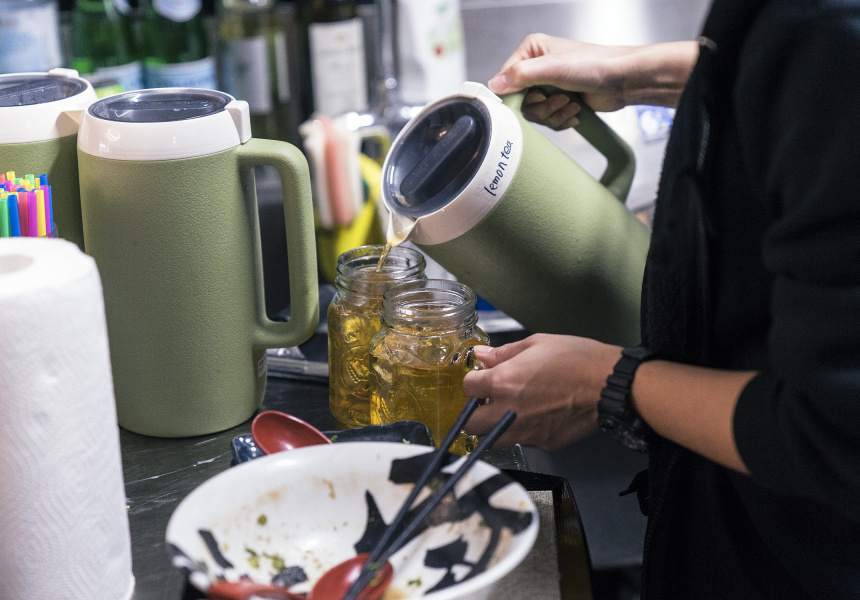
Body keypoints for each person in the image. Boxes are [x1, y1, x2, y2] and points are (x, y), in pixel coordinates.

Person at [462, 0, 860, 598]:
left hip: (800, 558)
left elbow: (836, 434)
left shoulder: (831, 32)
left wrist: (607, 383)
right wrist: (637, 74)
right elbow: (810, 83)